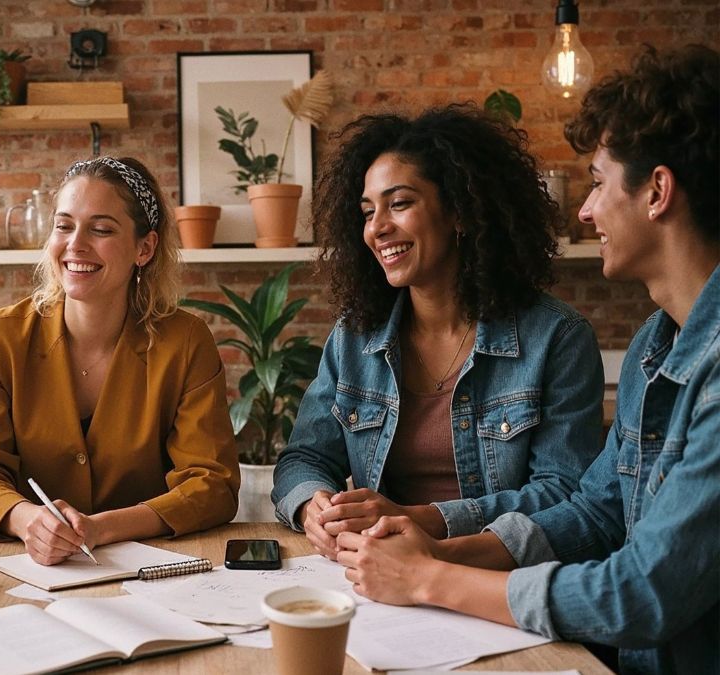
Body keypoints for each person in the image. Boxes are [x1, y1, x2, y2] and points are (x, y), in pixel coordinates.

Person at [336, 45, 719, 674]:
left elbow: (643, 593)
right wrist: (442, 549)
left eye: (597, 182)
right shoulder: (658, 341)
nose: (585, 209)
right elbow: (596, 512)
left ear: (657, 192)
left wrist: (430, 579)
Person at [272, 105, 604, 558]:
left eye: (400, 203)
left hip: (496, 576)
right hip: (378, 571)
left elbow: (564, 493)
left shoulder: (557, 337)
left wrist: (421, 519)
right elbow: (305, 458)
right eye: (368, 211)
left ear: (461, 212)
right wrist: (315, 506)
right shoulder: (354, 338)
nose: (377, 228)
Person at [0, 156, 240, 565]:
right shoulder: (0, 337)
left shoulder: (185, 341)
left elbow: (212, 485)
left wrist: (101, 528)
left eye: (101, 229)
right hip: (29, 567)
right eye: (64, 225)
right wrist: (26, 519)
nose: (75, 244)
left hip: (153, 568)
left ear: (145, 247)